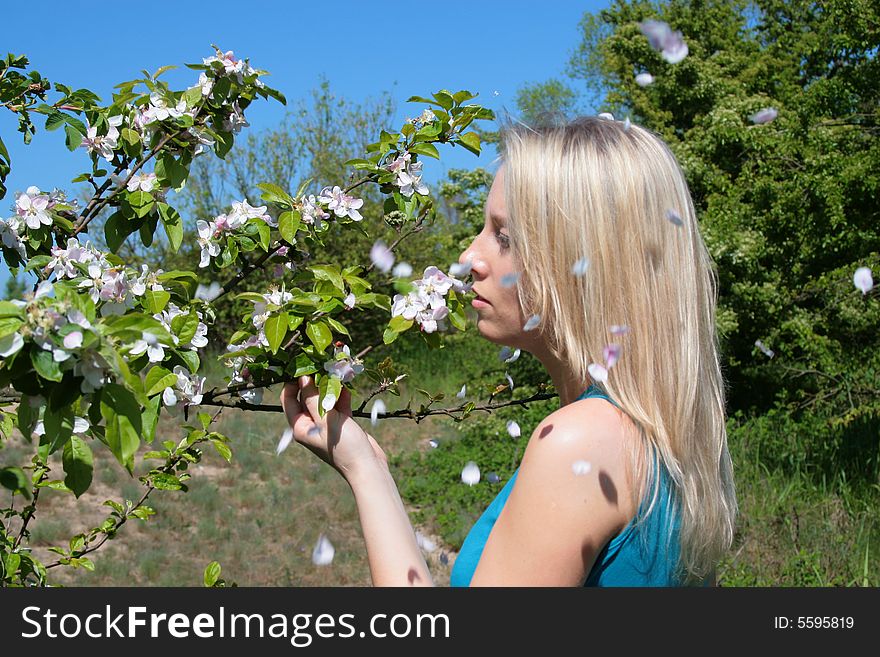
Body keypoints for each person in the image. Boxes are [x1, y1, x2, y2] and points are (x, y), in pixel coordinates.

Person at [280, 115, 737, 586]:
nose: (467, 258)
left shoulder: (579, 442)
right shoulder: (658, 435)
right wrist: (366, 463)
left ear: (582, 262)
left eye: (504, 236)